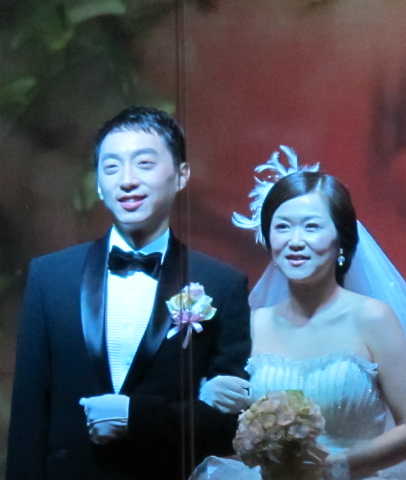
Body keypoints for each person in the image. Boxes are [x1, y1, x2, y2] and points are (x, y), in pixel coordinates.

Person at [193, 146, 406, 480]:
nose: (295, 241)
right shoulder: (252, 323)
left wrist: (339, 466)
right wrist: (207, 395)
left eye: (311, 227)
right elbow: (232, 427)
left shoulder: (372, 318)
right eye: (283, 227)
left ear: (340, 240)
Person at [7, 107, 252, 480]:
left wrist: (136, 417)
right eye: (111, 168)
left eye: (144, 164)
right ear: (98, 185)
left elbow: (229, 422)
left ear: (181, 175)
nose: (127, 180)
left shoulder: (221, 284)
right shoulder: (50, 277)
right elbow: (28, 413)